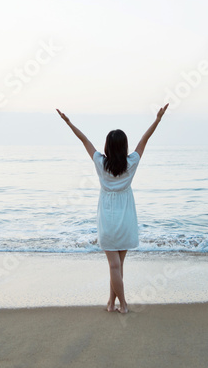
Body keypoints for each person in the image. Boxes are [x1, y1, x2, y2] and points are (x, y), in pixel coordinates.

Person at [56, 104, 169, 313]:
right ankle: (111, 303)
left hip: (107, 217)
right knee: (118, 266)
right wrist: (157, 120)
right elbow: (144, 140)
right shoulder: (131, 163)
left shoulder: (100, 162)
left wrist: (68, 122)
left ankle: (122, 305)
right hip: (126, 217)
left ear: (107, 146)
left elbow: (84, 140)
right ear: (124, 147)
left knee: (114, 266)